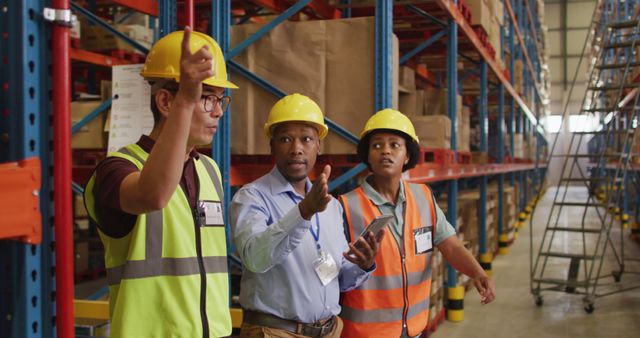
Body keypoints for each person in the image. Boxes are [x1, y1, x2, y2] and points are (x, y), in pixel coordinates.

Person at [83, 28, 237, 337]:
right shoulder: (115, 171)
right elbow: (152, 194)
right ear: (166, 102)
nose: (218, 111)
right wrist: (186, 102)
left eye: (221, 100)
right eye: (206, 98)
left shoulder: (209, 170)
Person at [230, 93, 382, 338]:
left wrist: (362, 265)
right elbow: (254, 258)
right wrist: (304, 212)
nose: (296, 149)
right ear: (272, 145)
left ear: (318, 146)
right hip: (275, 333)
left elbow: (336, 275)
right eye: (285, 139)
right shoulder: (252, 197)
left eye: (306, 139)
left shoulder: (331, 207)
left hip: (329, 330)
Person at [338, 109, 496, 338]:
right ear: (368, 156)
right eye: (377, 145)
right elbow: (337, 274)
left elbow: (450, 245)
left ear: (408, 156)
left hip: (414, 329)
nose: (386, 151)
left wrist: (478, 273)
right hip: (366, 333)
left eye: (395, 145)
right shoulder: (346, 206)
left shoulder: (423, 197)